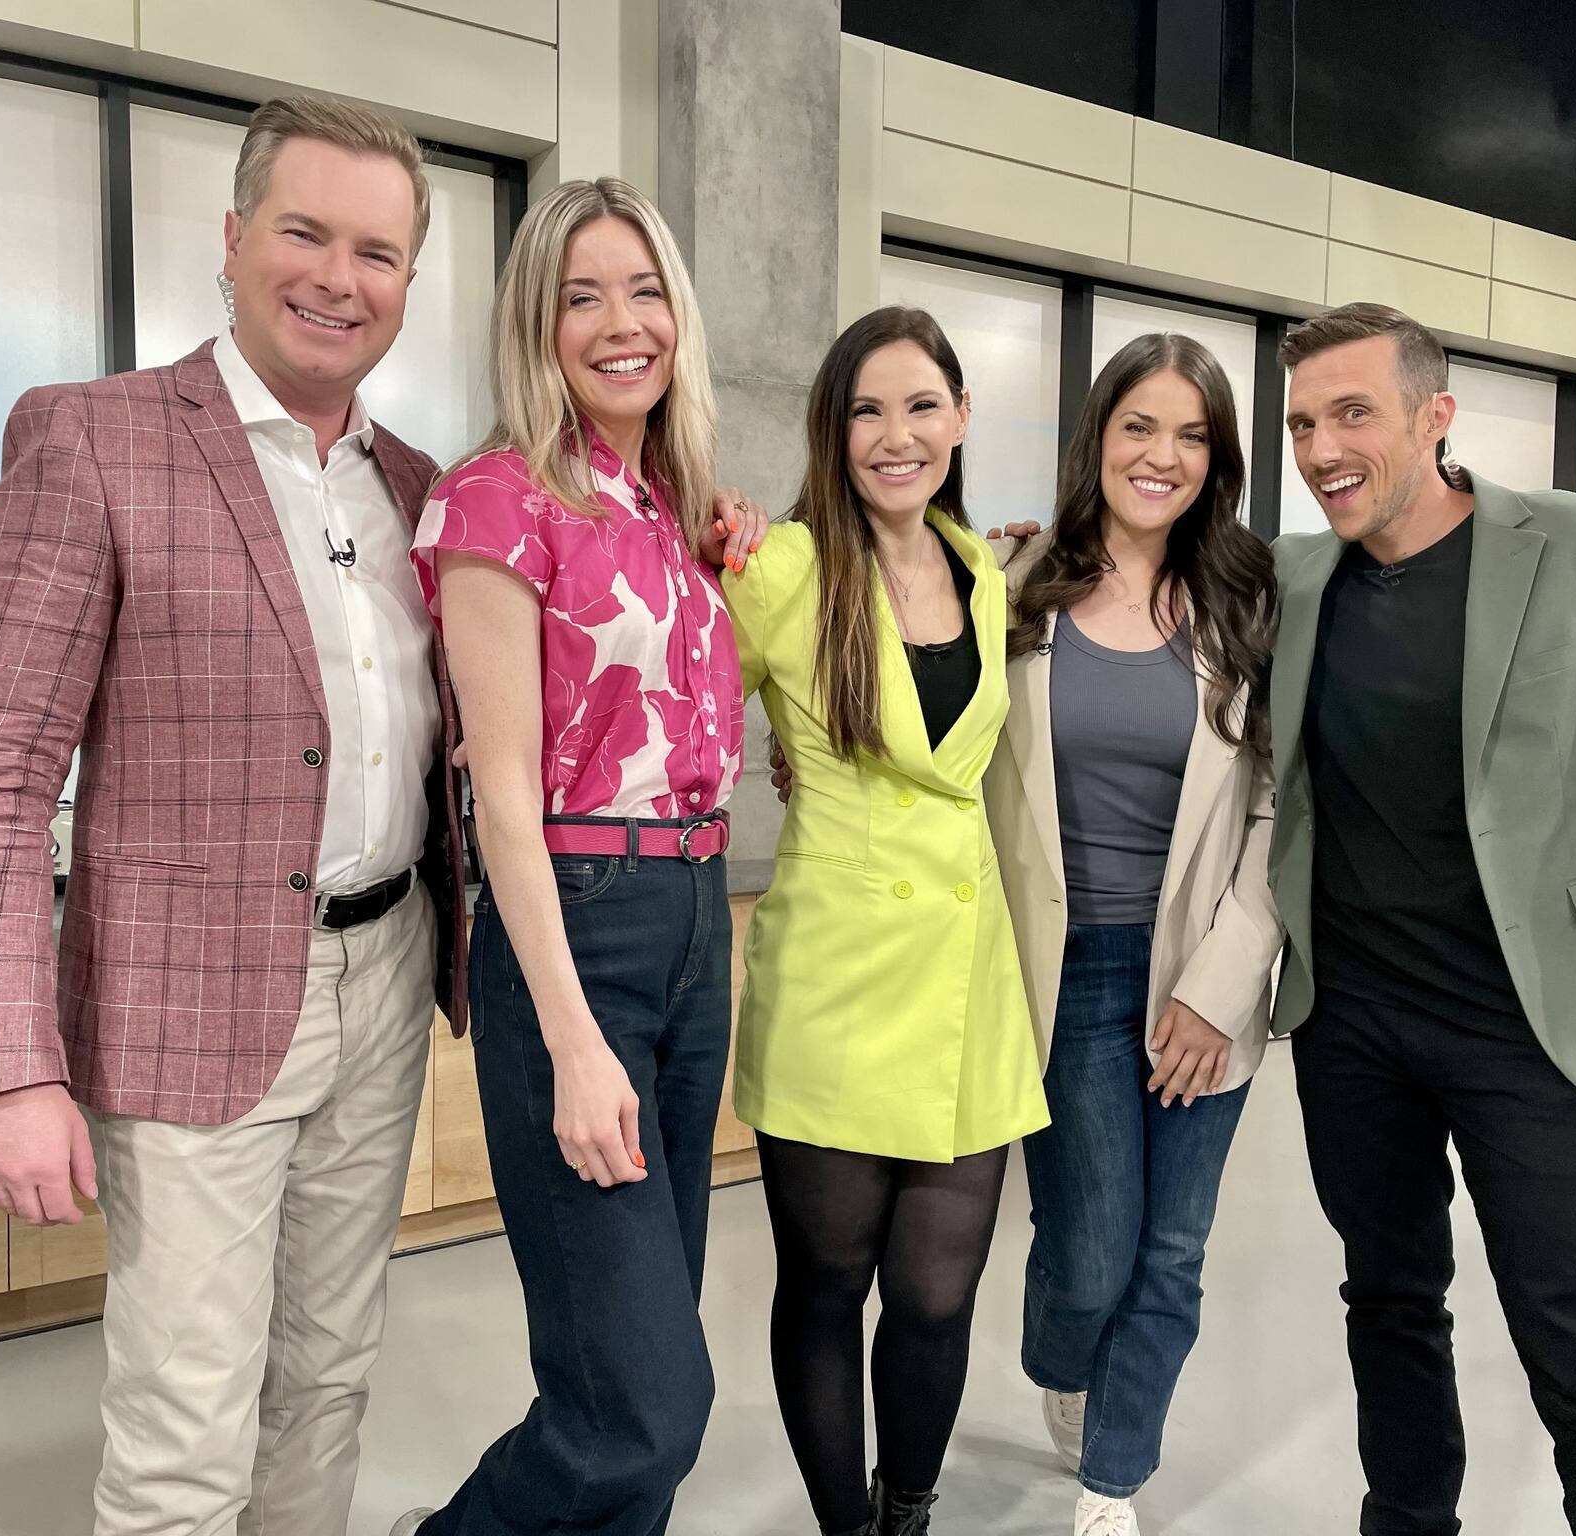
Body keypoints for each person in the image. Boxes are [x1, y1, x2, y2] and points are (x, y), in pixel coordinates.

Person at [0, 96, 462, 1534]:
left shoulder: (417, 488)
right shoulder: (92, 440)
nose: (338, 278)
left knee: (327, 1381)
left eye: (377, 252)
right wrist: (7, 1072)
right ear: (231, 240)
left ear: (409, 281)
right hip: (181, 995)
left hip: (387, 975)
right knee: (186, 1428)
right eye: (304, 232)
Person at [1268, 301, 1576, 1536]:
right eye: (1300, 424)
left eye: (1350, 413)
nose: (1320, 448)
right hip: (1351, 1025)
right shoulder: (1292, 577)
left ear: (1433, 416)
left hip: (1529, 1026)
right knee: (1387, 1306)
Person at [393, 177, 761, 1536]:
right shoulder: (495, 499)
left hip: (695, 921)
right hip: (578, 929)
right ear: (535, 325)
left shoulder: (681, 511)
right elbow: (498, 799)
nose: (622, 324)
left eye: (645, 291)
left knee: (629, 1373)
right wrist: (570, 1038)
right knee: (645, 1404)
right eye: (582, 297)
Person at [724, 305, 1049, 1536]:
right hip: (835, 980)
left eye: (920, 405)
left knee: (933, 1295)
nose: (894, 434)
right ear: (833, 428)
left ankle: (904, 1510)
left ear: (960, 417)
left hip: (967, 980)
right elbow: (679, 709)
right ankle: (845, 1529)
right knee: (825, 1285)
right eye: (865, 410)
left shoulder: (981, 570)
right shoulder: (781, 569)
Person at [985, 333, 1282, 1536]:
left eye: (1191, 436)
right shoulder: (1012, 583)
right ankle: (1060, 1362)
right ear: (1097, 438)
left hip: (1199, 972)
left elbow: (1277, 806)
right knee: (1088, 1257)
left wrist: (1220, 984)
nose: (1161, 456)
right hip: (1061, 974)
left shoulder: (1246, 601)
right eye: (1138, 427)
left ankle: (1112, 1479)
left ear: (1217, 461)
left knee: (1170, 1252)